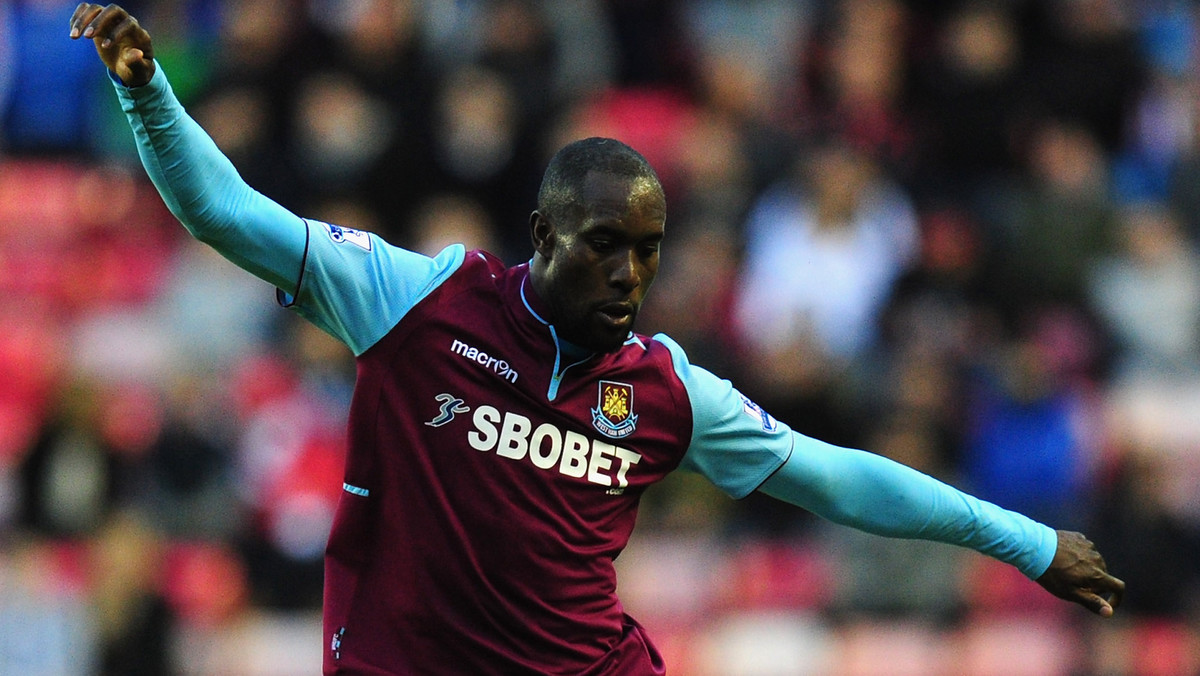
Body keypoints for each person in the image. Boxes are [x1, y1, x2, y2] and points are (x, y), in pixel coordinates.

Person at [69, 5, 1125, 675]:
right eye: (606, 247)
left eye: (650, 252)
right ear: (543, 236)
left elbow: (837, 478)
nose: (630, 276)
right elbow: (227, 214)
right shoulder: (417, 300)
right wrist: (149, 91)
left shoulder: (662, 389)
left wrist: (1026, 542)